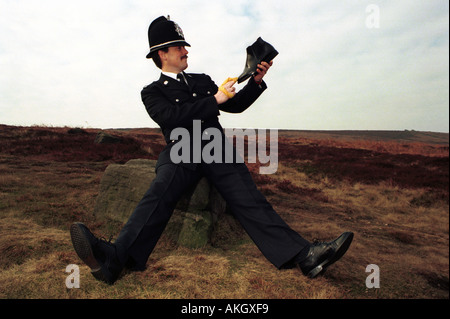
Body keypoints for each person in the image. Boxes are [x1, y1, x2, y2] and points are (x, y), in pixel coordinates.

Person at [70, 16, 353, 285]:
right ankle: (113, 261)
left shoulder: (203, 80)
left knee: (250, 200)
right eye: (179, 46)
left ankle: (305, 256)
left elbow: (235, 105)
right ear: (162, 54)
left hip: (216, 150)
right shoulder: (152, 92)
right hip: (181, 151)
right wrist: (214, 100)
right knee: (158, 195)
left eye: (184, 46)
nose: (185, 50)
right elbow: (170, 117)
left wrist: (254, 82)